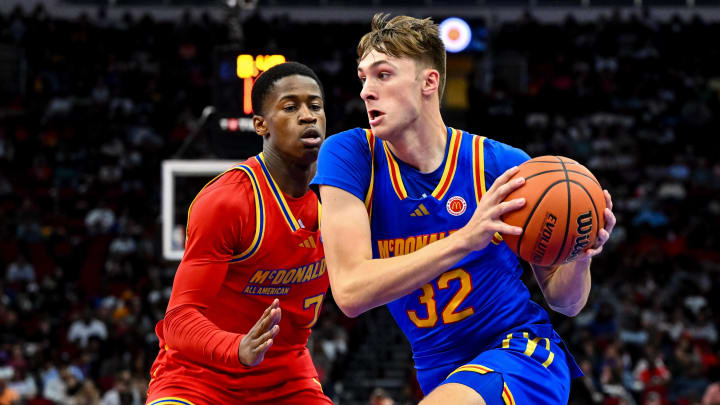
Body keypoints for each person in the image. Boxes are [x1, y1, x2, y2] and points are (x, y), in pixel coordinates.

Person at [312, 14, 616, 405]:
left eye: (383, 75)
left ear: (429, 82)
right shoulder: (350, 155)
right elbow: (351, 292)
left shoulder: (500, 167)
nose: (367, 91)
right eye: (363, 78)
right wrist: (465, 240)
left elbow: (565, 302)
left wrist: (580, 253)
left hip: (521, 354)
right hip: (438, 372)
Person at [146, 62, 332, 405]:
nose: (307, 116)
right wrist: (237, 348)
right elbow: (177, 320)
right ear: (260, 124)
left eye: (315, 106)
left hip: (285, 380)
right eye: (291, 107)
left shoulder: (342, 195)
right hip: (199, 377)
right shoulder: (228, 201)